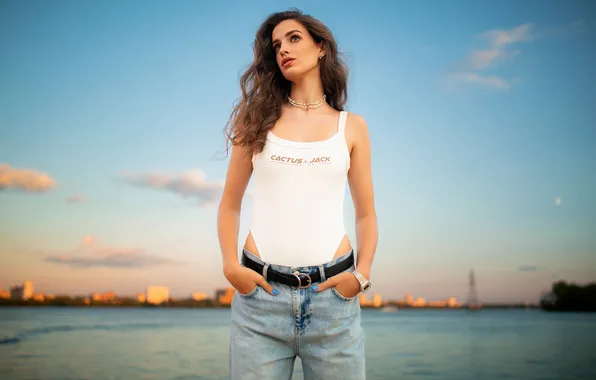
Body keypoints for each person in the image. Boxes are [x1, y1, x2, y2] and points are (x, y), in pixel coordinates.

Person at [217, 8, 378, 380]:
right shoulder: (255, 120)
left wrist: (363, 276)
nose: (283, 50)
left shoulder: (351, 127)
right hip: (260, 302)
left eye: (294, 39)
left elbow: (366, 213)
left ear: (321, 47)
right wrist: (230, 267)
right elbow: (229, 204)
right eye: (276, 45)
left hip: (333, 302)